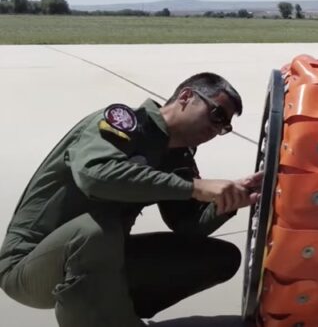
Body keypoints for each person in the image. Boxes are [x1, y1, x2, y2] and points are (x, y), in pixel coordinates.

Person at [0, 72, 260, 327]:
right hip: (29, 264)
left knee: (218, 257)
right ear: (186, 97)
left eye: (224, 126)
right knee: (95, 230)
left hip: (103, 254)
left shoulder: (177, 157)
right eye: (216, 115)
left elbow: (188, 226)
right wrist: (194, 187)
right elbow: (95, 177)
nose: (216, 129)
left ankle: (112, 311)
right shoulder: (125, 124)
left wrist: (229, 201)